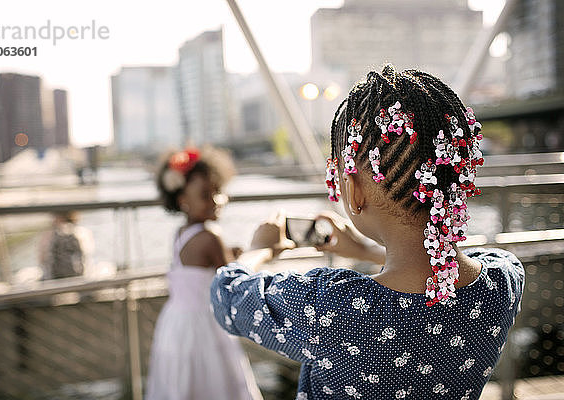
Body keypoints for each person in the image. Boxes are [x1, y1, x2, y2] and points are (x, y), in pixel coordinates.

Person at [210, 65, 525, 400]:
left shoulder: (333, 307)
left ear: (353, 190)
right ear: (456, 176)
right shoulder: (503, 282)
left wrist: (260, 248)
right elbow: (444, 269)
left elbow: (225, 296)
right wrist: (367, 251)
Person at [145, 147, 262, 400]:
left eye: (217, 191)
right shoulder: (210, 236)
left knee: (183, 383)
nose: (216, 200)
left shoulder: (180, 234)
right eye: (206, 195)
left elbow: (201, 265)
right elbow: (235, 280)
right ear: (183, 201)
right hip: (204, 326)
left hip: (176, 323)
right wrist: (262, 251)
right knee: (217, 383)